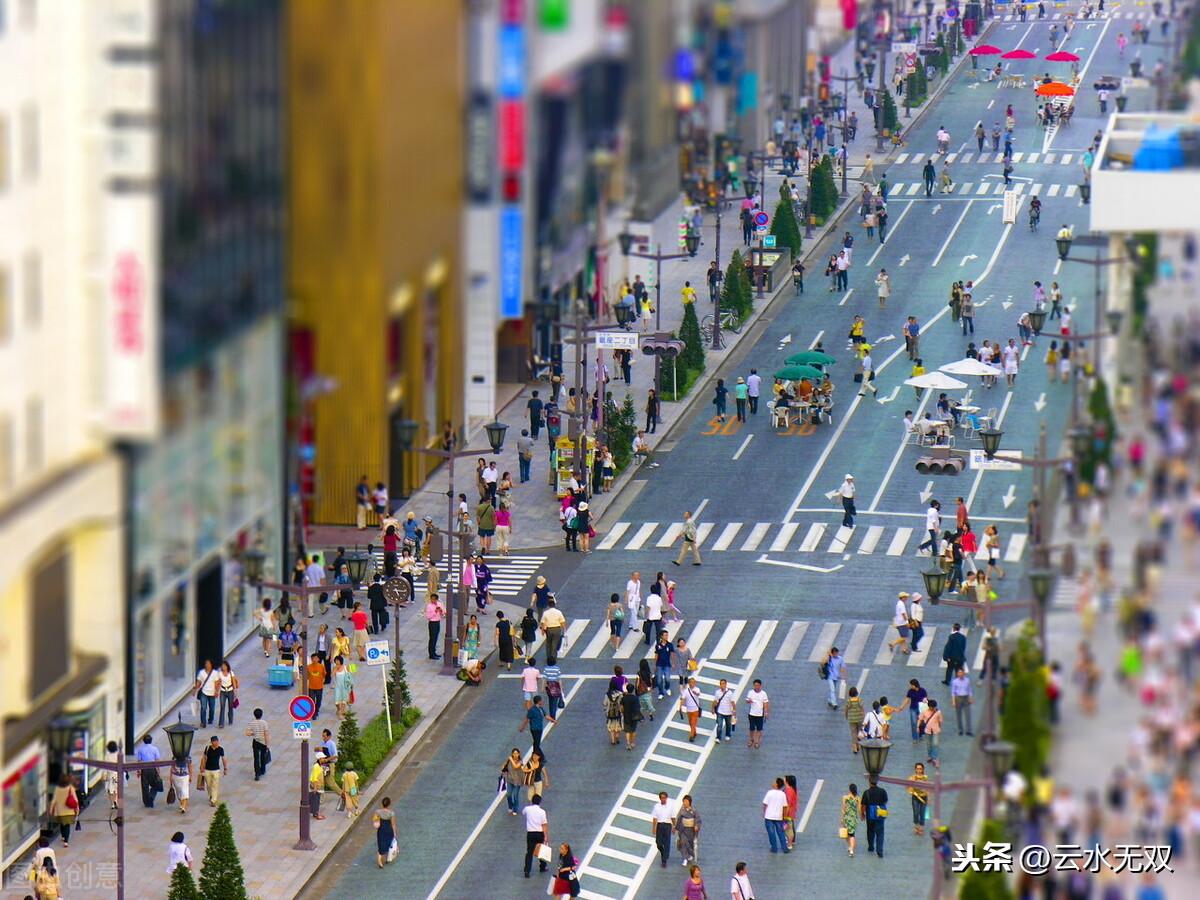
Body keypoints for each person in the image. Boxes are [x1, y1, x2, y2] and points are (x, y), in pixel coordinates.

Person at [522, 794, 550, 878]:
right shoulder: (542, 812)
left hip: (530, 833)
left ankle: (527, 870)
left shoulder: (527, 809)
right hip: (539, 833)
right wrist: (545, 836)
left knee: (529, 853)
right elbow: (544, 824)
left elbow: (523, 813)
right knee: (541, 851)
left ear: (532, 801)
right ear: (540, 802)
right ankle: (542, 866)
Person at [48, 774, 79, 847]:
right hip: (69, 810)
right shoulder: (70, 788)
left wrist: (51, 809)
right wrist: (77, 808)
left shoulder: (57, 789)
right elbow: (75, 799)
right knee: (67, 825)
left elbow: (54, 800)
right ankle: (66, 841)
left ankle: (63, 836)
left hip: (59, 811)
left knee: (62, 824)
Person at [861, 777, 889, 858]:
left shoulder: (866, 792)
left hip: (870, 814)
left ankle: (871, 847)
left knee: (870, 831)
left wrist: (862, 814)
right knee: (880, 833)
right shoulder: (882, 791)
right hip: (880, 814)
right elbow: (885, 801)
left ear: (869, 782)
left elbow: (863, 805)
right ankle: (880, 851)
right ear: (877, 782)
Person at [763, 778, 790, 853]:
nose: (772, 782)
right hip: (779, 817)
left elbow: (765, 804)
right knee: (781, 832)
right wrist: (784, 817)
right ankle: (784, 848)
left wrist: (764, 813)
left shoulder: (769, 792)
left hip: (769, 816)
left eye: (774, 782)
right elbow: (785, 806)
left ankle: (774, 848)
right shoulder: (782, 794)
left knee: (771, 833)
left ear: (776, 784)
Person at [136, 734, 164, 807]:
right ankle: (151, 796)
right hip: (152, 768)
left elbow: (139, 761)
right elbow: (157, 760)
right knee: (155, 784)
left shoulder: (140, 749)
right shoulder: (155, 749)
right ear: (151, 740)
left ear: (143, 741)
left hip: (144, 769)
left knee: (145, 786)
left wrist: (139, 771)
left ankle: (147, 802)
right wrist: (158, 770)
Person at [244, 707, 270, 781]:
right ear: (261, 715)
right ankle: (263, 770)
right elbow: (266, 734)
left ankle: (257, 774)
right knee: (262, 756)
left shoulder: (252, 723)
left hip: (256, 742)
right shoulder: (264, 723)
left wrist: (253, 733)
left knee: (256, 758)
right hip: (263, 742)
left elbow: (247, 733)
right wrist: (267, 744)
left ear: (254, 715)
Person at [201, 735, 227, 806]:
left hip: (216, 770)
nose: (216, 743)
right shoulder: (207, 748)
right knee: (209, 785)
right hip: (207, 770)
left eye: (217, 741)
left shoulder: (220, 749)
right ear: (211, 742)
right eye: (214, 742)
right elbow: (204, 759)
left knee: (215, 785)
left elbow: (223, 759)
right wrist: (202, 768)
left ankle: (213, 800)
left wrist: (225, 768)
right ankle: (211, 795)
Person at [651, 790, 675, 867]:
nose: (663, 799)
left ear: (666, 798)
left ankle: (664, 860)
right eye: (662, 798)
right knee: (658, 843)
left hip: (668, 825)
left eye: (664, 798)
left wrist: (674, 826)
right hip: (660, 825)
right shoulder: (656, 806)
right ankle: (664, 852)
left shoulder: (670, 806)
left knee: (667, 843)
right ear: (660, 798)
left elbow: (673, 817)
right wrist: (654, 828)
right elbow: (655, 818)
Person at [918, 698, 944, 765]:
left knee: (935, 744)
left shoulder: (938, 712)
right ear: (929, 706)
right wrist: (917, 727)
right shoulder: (924, 712)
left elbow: (940, 721)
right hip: (927, 731)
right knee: (929, 745)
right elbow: (920, 719)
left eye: (934, 707)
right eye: (932, 707)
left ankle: (934, 758)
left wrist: (939, 728)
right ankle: (930, 756)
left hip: (936, 731)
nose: (933, 708)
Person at [745, 679, 770, 748]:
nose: (756, 687)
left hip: (760, 714)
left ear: (760, 686)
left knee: (759, 729)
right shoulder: (750, 692)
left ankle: (756, 742)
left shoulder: (763, 694)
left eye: (758, 685)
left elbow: (765, 703)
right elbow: (747, 700)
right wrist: (749, 701)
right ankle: (751, 739)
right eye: (755, 685)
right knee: (751, 728)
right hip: (752, 713)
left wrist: (766, 712)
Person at [373, 797, 397, 868]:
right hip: (388, 830)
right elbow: (393, 824)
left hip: (381, 830)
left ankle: (379, 861)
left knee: (380, 845)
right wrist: (394, 833)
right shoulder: (391, 813)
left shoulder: (377, 812)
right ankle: (387, 858)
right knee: (388, 844)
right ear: (389, 804)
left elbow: (375, 820)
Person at [950, 667, 974, 736]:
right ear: (957, 674)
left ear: (964, 673)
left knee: (968, 715)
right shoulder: (955, 681)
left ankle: (968, 730)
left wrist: (970, 698)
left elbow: (969, 690)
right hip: (958, 698)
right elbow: (953, 692)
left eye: (961, 672)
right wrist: (953, 701)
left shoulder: (967, 680)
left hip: (966, 698)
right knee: (959, 715)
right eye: (959, 672)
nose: (960, 674)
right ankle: (960, 730)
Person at [840, 783, 860, 857]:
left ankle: (851, 848)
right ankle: (851, 847)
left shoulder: (845, 797)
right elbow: (859, 809)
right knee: (852, 834)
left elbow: (843, 809)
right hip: (854, 818)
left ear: (849, 789)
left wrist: (842, 818)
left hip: (847, 818)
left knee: (846, 834)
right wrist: (861, 816)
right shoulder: (858, 798)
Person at [680, 677, 702, 742]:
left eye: (693, 682)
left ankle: (691, 736)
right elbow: (683, 699)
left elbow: (698, 694)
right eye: (690, 682)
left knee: (693, 723)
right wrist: (680, 706)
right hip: (689, 710)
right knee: (690, 723)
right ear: (689, 683)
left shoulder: (697, 689)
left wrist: (696, 693)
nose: (692, 684)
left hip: (695, 709)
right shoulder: (686, 691)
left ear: (695, 683)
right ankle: (694, 732)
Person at [425, 593, 445, 660]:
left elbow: (444, 612)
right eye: (432, 599)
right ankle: (431, 654)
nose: (433, 600)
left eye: (434, 599)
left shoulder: (439, 604)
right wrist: (435, 612)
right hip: (432, 623)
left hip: (437, 622)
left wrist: (441, 611)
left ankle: (434, 652)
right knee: (432, 639)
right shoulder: (429, 606)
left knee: (436, 638)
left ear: (436, 599)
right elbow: (428, 616)